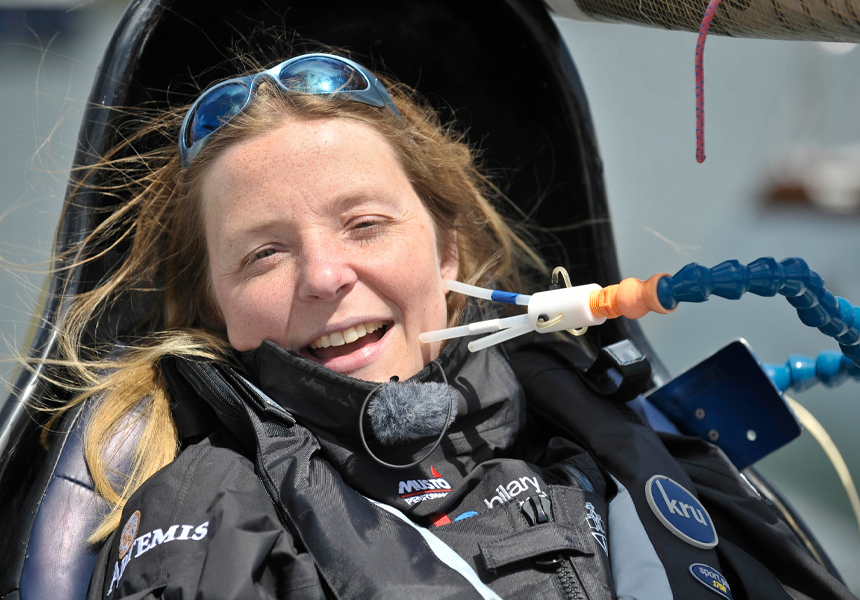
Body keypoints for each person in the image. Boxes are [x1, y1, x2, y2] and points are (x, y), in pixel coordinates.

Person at [47, 51, 854, 599]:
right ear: (213, 308)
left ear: (448, 250)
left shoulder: (601, 426)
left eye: (364, 225)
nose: (326, 277)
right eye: (263, 255)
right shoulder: (207, 512)